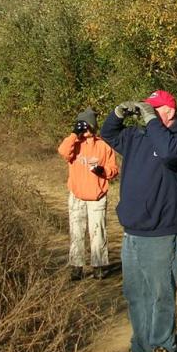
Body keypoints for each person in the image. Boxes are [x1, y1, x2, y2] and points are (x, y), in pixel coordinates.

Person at [101, 90, 177, 352]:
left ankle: (162, 347)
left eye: (154, 109)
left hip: (162, 230)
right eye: (147, 109)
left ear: (168, 112)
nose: (148, 114)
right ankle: (140, 346)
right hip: (133, 229)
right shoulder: (136, 137)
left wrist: (151, 121)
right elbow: (109, 134)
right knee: (135, 293)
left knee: (160, 293)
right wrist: (118, 114)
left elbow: (167, 152)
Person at [57, 107, 119, 281]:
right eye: (80, 124)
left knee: (98, 232)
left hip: (97, 197)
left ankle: (98, 266)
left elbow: (113, 170)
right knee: (76, 231)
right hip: (76, 195)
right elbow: (62, 152)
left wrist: (103, 170)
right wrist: (73, 134)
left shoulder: (103, 145)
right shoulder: (73, 144)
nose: (84, 128)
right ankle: (76, 267)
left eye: (85, 124)